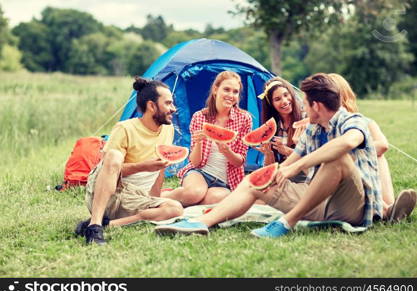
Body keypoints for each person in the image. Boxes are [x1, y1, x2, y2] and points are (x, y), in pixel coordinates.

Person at [155, 73, 416, 238]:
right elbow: (290, 163)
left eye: (304, 101)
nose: (300, 105)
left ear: (316, 105)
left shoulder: (352, 122)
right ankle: (201, 223)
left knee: (338, 158)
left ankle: (287, 222)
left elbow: (347, 143)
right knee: (258, 178)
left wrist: (293, 167)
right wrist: (276, 172)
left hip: (351, 207)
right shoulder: (313, 131)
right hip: (318, 202)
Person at [75, 76, 183, 245]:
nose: (173, 109)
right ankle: (95, 225)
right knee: (114, 155)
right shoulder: (125, 128)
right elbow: (107, 168)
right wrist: (143, 167)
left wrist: (153, 201)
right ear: (152, 106)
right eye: (168, 103)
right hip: (107, 195)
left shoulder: (167, 131)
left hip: (133, 199)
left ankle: (108, 225)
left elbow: (160, 170)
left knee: (175, 208)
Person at [329, 73, 416, 221]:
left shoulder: (364, 121)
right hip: (343, 185)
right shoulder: (323, 127)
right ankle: (387, 211)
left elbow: (383, 145)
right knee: (349, 160)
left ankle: (388, 207)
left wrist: (354, 151)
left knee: (378, 156)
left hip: (364, 171)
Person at [161, 71, 252, 206]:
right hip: (200, 172)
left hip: (226, 181)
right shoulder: (200, 117)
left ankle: (184, 198)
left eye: (235, 92)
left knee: (213, 199)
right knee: (194, 193)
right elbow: (196, 162)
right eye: (226, 89)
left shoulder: (244, 118)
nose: (230, 95)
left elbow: (239, 162)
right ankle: (163, 196)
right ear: (215, 90)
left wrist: (227, 151)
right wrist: (198, 142)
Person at [256, 77, 306, 183]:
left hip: (304, 180)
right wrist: (268, 154)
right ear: (271, 104)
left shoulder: (305, 119)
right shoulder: (274, 126)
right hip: (282, 178)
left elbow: (313, 160)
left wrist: (286, 151)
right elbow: (271, 168)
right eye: (277, 99)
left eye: (286, 95)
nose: (284, 101)